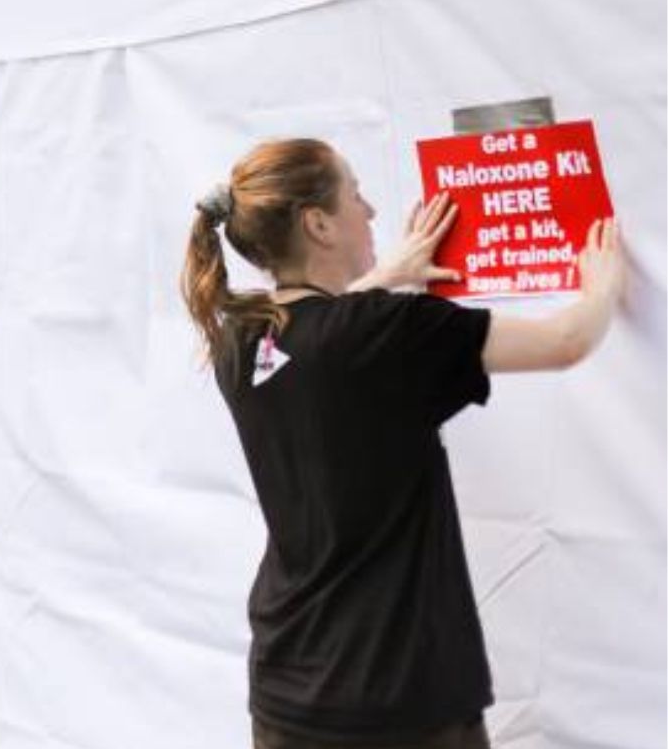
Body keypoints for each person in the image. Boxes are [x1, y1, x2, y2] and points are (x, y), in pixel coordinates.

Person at [179, 139, 626, 749]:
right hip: (399, 705)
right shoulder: (385, 333)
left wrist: (389, 274)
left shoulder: (241, 341)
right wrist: (603, 283)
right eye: (355, 194)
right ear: (318, 224)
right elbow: (566, 341)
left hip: (286, 694)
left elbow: (321, 333)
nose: (372, 210)